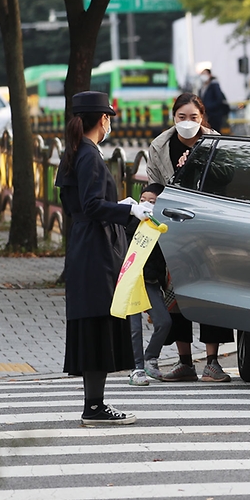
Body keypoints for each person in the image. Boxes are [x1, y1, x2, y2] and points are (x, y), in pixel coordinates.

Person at [55, 91, 147, 426]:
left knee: (93, 322)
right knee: (98, 321)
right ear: (103, 120)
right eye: (109, 118)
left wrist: (118, 205)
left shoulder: (76, 152)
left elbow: (77, 204)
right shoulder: (90, 156)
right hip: (96, 248)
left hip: (85, 244)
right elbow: (93, 205)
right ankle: (94, 407)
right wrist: (126, 208)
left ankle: (94, 404)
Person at [147, 93, 234, 383]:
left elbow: (228, 177)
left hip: (208, 228)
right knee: (175, 291)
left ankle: (212, 362)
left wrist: (196, 163)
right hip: (174, 227)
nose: (187, 123)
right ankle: (185, 362)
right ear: (174, 118)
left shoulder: (214, 143)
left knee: (210, 291)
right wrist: (151, 192)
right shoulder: (160, 145)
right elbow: (156, 181)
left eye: (193, 117)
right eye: (181, 117)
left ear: (202, 118)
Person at [126, 183, 171, 385]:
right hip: (132, 282)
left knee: (163, 322)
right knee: (134, 328)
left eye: (152, 202)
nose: (146, 205)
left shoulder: (163, 228)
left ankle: (150, 359)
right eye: (143, 200)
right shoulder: (130, 223)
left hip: (151, 283)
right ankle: (136, 369)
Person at [197, 63, 230, 132]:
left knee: (215, 132)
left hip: (215, 115)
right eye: (202, 74)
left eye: (205, 74)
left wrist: (208, 107)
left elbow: (219, 99)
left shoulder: (214, 85)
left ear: (210, 75)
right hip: (206, 115)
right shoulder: (201, 88)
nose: (203, 76)